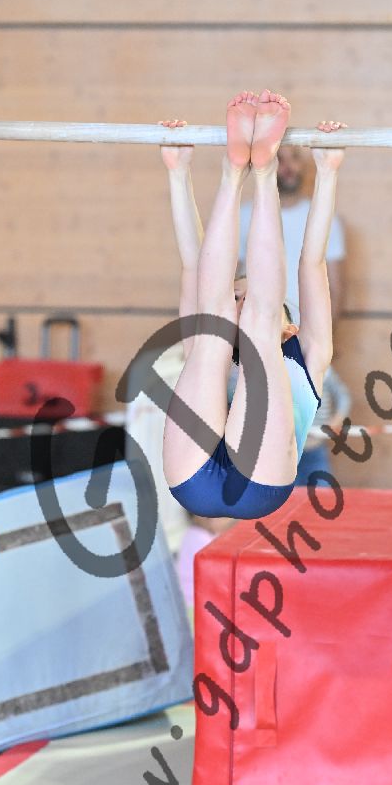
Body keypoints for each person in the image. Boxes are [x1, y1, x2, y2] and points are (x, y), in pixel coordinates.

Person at [159, 89, 345, 520]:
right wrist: (328, 171)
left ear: (289, 328)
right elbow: (308, 263)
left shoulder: (297, 350)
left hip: (219, 481)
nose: (240, 301)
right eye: (238, 295)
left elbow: (205, 274)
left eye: (242, 295)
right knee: (221, 321)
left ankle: (244, 170)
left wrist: (177, 172)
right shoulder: (306, 354)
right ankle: (254, 171)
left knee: (217, 322)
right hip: (246, 479)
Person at [238, 138, 348, 483]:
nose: (287, 167)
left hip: (303, 337)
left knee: (305, 436)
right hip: (259, 339)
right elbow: (231, 281)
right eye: (279, 160)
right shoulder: (245, 217)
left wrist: (322, 340)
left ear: (303, 166)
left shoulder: (324, 219)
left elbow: (329, 280)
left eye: (293, 159)